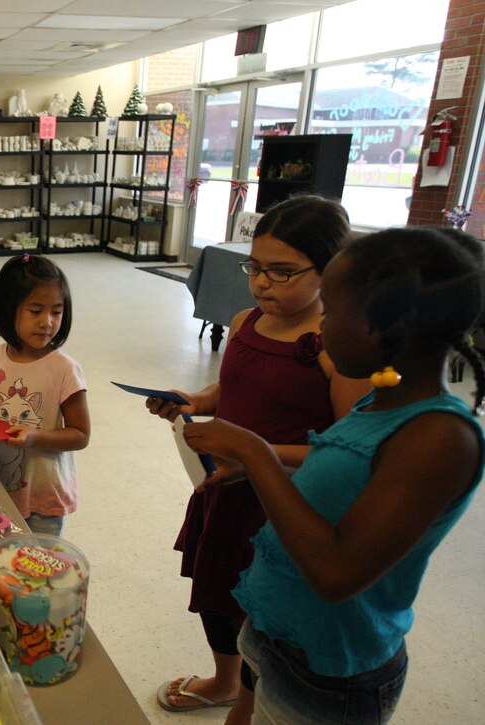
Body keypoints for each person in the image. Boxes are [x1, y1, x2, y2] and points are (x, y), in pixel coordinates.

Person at [182, 226, 485, 724]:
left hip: (330, 673)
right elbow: (332, 486)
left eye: (333, 310)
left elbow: (337, 574)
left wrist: (256, 454)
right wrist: (249, 468)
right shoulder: (378, 401)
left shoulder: (439, 437)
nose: (321, 327)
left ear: (376, 325)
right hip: (278, 633)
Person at [146, 196, 370, 721]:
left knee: (262, 610)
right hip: (224, 488)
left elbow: (348, 451)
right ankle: (226, 678)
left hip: (281, 504)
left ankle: (248, 689)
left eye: (283, 272)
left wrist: (257, 455)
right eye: (256, 266)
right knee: (216, 592)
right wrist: (195, 402)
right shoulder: (247, 321)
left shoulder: (336, 349)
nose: (262, 283)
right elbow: (232, 387)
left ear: (331, 270)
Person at [0, 253, 90, 536]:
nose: (47, 322)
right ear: (8, 310)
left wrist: (34, 436)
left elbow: (80, 435)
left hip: (44, 497)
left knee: (36, 570)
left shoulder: (64, 370)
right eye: (35, 311)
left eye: (56, 312)